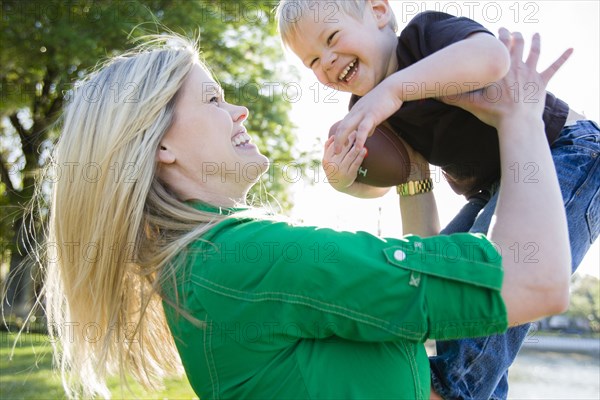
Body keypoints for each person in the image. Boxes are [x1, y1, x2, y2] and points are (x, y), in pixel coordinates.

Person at [39, 31, 570, 399]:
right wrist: (520, 116)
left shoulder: (203, 268)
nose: (239, 110)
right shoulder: (243, 258)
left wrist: (412, 176)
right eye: (214, 99)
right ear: (160, 147)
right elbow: (534, 283)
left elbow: (426, 313)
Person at [276, 1, 600, 397]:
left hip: (567, 151)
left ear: (378, 12)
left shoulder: (424, 38)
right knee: (440, 274)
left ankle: (451, 388)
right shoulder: (371, 111)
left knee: (494, 275)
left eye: (332, 38)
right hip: (494, 189)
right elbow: (403, 191)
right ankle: (471, 387)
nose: (326, 62)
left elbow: (490, 57)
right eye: (311, 61)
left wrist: (393, 90)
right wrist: (346, 182)